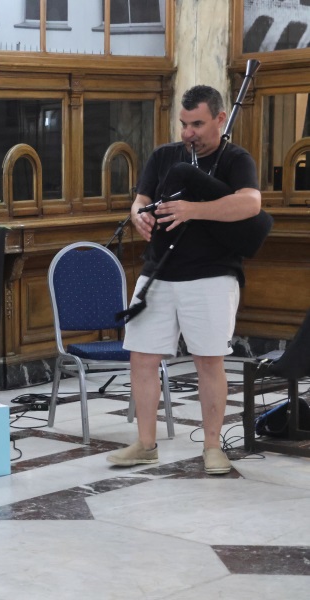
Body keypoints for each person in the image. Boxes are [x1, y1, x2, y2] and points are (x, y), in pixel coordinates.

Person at [107, 85, 262, 475]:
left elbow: (251, 203)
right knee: (142, 357)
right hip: (158, 272)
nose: (188, 133)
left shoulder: (235, 159)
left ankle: (212, 447)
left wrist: (194, 210)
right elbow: (141, 200)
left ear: (220, 119)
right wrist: (139, 215)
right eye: (184, 124)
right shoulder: (164, 156)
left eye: (197, 124)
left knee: (208, 361)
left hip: (211, 275)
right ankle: (145, 444)